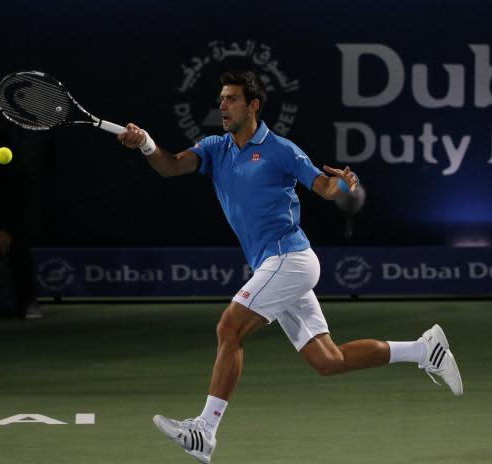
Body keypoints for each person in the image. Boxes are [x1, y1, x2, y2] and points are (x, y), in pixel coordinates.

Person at [118, 71, 463, 463]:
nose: (223, 106)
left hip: (291, 260)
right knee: (328, 361)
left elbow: (323, 186)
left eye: (231, 99)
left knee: (229, 327)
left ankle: (205, 430)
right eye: (221, 100)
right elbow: (170, 166)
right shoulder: (215, 147)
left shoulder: (281, 149)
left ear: (253, 106)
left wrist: (344, 186)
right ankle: (423, 350)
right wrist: (145, 142)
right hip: (274, 265)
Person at [0, 101, 41, 319]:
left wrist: (7, 229)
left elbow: (19, 192)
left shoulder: (2, 143)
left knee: (17, 245)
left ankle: (28, 301)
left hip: (5, 205)